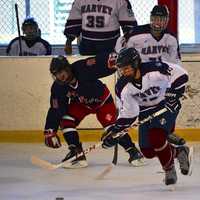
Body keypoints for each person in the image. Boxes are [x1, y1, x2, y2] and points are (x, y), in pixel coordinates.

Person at [101, 47, 192, 186]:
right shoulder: (122, 86)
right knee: (148, 151)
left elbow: (181, 75)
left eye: (126, 68)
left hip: (165, 106)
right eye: (121, 69)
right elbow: (129, 113)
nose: (124, 72)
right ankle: (179, 151)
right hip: (145, 112)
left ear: (136, 63)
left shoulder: (154, 69)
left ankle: (169, 169)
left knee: (157, 137)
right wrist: (115, 131)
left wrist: (174, 93)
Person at [44, 52, 144, 169]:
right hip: (82, 105)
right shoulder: (58, 87)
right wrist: (50, 130)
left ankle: (133, 151)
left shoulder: (82, 67)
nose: (59, 77)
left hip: (103, 102)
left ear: (68, 68)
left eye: (61, 73)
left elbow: (99, 62)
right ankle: (76, 153)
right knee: (65, 119)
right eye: (56, 74)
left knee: (112, 129)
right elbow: (56, 109)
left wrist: (111, 60)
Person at [115, 5, 185, 146]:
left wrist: (175, 87)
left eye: (162, 19)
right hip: (141, 82)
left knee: (164, 119)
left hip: (160, 83)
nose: (158, 22)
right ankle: (160, 140)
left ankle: (167, 137)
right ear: (150, 18)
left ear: (167, 20)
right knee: (147, 133)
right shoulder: (135, 34)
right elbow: (120, 51)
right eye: (155, 18)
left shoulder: (171, 38)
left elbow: (175, 65)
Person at [64, 0, 137, 55]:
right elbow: (74, 21)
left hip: (111, 45)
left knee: (109, 69)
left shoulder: (120, 1)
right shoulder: (80, 1)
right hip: (87, 45)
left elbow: (129, 25)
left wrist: (132, 42)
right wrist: (69, 40)